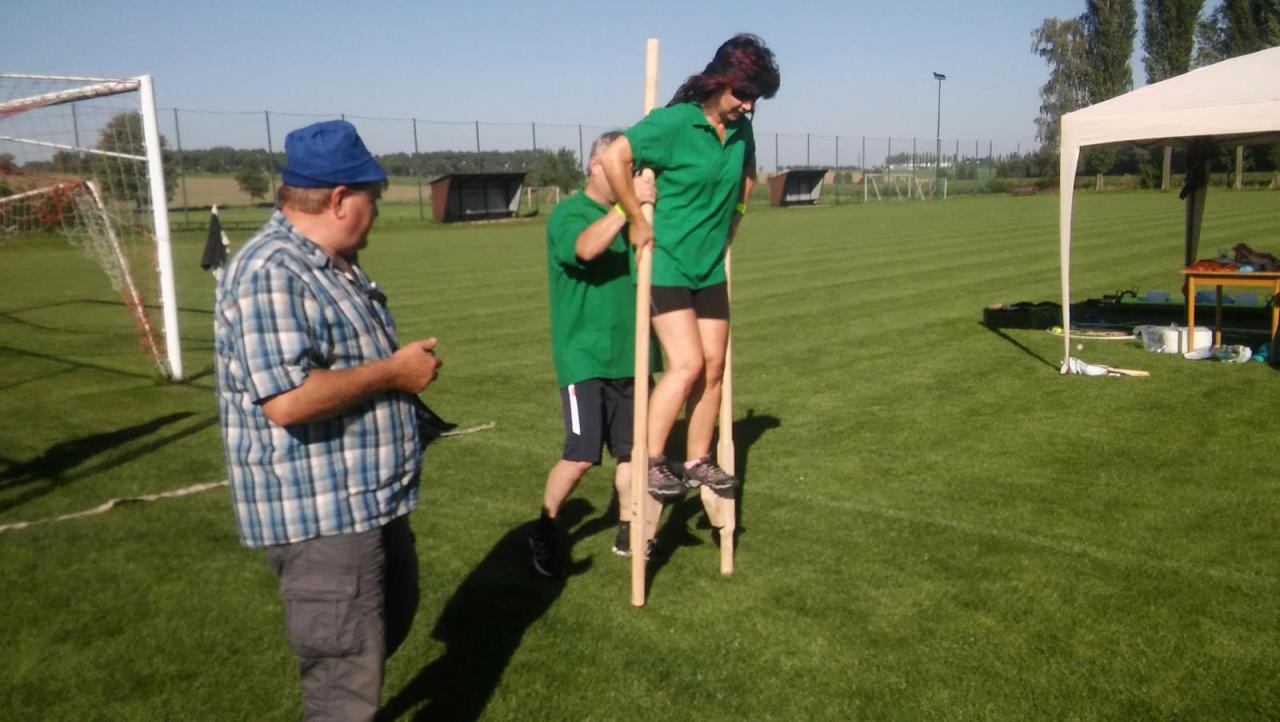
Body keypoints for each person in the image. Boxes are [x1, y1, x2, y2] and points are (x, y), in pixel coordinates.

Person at [214, 119, 441, 722]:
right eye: (373, 197)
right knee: (343, 681)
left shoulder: (333, 264)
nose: (377, 210)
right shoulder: (272, 271)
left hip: (369, 504)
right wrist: (394, 373)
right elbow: (288, 399)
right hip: (323, 518)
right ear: (340, 199)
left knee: (377, 635)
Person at [601, 34, 780, 498]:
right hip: (666, 264)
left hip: (709, 267)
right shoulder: (673, 123)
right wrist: (635, 218)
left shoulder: (741, 132)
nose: (749, 106)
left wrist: (736, 217)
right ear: (719, 82)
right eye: (743, 94)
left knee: (714, 366)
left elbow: (748, 174)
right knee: (686, 364)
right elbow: (614, 157)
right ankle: (651, 460)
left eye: (756, 98)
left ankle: (698, 459)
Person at [529, 130, 657, 577]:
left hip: (633, 354)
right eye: (621, 168)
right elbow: (585, 248)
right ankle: (545, 527)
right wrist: (627, 208)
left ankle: (628, 526)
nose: (627, 176)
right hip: (584, 358)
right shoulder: (570, 214)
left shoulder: (638, 215)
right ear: (596, 166)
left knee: (634, 453)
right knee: (581, 455)